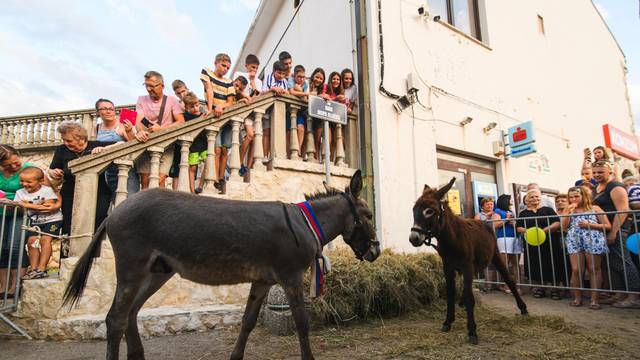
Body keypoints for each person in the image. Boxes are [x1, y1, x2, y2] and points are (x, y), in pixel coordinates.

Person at [48, 122, 114, 238]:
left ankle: (93, 253)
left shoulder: (96, 145)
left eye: (68, 140)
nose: (65, 143)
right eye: (64, 140)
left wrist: (104, 149)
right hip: (70, 193)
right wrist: (54, 173)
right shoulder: (61, 150)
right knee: (69, 224)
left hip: (99, 191)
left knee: (97, 222)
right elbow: (52, 169)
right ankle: (66, 253)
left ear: (82, 138)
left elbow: (121, 143)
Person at [591, 160, 640, 307]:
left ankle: (634, 296)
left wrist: (613, 232)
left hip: (618, 229)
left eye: (600, 172)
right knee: (611, 263)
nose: (596, 175)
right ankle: (619, 294)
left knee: (624, 262)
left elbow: (623, 210)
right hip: (603, 230)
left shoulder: (616, 186)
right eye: (594, 172)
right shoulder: (596, 188)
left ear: (610, 172)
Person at [0, 145, 42, 298]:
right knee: (2, 249)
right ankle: (3, 286)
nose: (13, 166)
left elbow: (45, 192)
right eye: (7, 165)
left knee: (15, 247)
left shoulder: (30, 169)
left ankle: (15, 285)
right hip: (1, 214)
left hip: (21, 214)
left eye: (15, 162)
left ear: (18, 155)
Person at [561, 186, 610, 309]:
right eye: (571, 197)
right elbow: (564, 227)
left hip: (593, 239)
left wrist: (590, 225)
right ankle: (577, 298)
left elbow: (607, 225)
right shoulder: (569, 210)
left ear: (584, 196)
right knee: (576, 269)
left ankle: (594, 300)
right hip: (574, 240)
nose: (573, 199)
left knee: (594, 269)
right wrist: (567, 213)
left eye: (576, 196)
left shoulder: (595, 208)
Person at [134, 71, 185, 189]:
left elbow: (181, 122)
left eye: (152, 86)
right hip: (146, 144)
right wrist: (140, 131)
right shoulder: (141, 99)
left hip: (166, 146)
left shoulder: (172, 100)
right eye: (146, 85)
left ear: (162, 86)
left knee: (159, 179)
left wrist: (161, 129)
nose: (148, 89)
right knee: (145, 182)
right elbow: (139, 119)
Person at [14, 167, 63, 280]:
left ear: (40, 181)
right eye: (22, 181)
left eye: (29, 182)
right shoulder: (19, 192)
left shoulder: (47, 190)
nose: (24, 184)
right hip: (35, 222)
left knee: (45, 240)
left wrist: (26, 204)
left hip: (52, 220)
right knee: (32, 242)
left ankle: (42, 268)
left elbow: (47, 207)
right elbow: (20, 208)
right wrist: (35, 205)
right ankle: (34, 269)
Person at [516, 189, 564, 299]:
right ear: (527, 200)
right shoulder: (523, 213)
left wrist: (544, 231)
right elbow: (518, 227)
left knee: (552, 263)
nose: (535, 199)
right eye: (532, 197)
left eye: (537, 197)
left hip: (550, 242)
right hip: (532, 243)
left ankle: (554, 289)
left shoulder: (548, 210)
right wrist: (530, 231)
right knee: (535, 264)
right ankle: (539, 288)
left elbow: (556, 223)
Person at [201, 54, 236, 191]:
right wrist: (211, 109)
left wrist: (221, 106)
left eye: (228, 67)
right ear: (215, 63)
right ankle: (214, 177)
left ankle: (221, 178)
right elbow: (209, 89)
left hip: (226, 117)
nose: (226, 69)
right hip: (214, 116)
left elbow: (230, 102)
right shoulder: (206, 72)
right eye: (223, 65)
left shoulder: (229, 81)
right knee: (216, 149)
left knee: (224, 149)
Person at [94, 98, 140, 197]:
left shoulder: (122, 125)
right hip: (108, 171)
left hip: (125, 169)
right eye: (104, 108)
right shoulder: (97, 127)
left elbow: (133, 144)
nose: (108, 111)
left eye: (111, 109)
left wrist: (129, 130)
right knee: (115, 200)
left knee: (130, 199)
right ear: (98, 112)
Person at [235, 55, 262, 174]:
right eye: (252, 67)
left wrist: (252, 81)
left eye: (256, 68)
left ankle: (249, 167)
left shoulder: (258, 81)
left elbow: (257, 96)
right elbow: (236, 91)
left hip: (254, 113)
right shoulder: (238, 75)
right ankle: (239, 163)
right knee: (250, 135)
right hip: (244, 111)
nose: (254, 71)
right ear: (246, 66)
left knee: (255, 138)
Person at [261, 60, 290, 162]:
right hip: (267, 110)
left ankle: (277, 154)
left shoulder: (285, 82)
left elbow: (288, 93)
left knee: (278, 133)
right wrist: (273, 89)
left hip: (279, 112)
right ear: (273, 71)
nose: (281, 76)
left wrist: (284, 91)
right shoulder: (268, 78)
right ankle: (265, 155)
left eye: (283, 74)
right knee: (267, 132)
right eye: (279, 73)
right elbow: (262, 93)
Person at [493, 194, 522, 294]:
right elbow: (495, 224)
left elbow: (515, 224)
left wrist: (514, 223)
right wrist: (506, 220)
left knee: (515, 264)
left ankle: (518, 286)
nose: (512, 201)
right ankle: (506, 285)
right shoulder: (497, 211)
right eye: (510, 200)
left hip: (515, 238)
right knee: (505, 264)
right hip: (504, 238)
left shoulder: (511, 211)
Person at [182, 92, 209, 194]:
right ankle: (192, 191)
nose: (196, 108)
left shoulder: (203, 114)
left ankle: (201, 186)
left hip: (204, 143)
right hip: (193, 146)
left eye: (197, 105)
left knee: (208, 162)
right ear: (186, 107)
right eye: (192, 106)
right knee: (192, 167)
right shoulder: (184, 117)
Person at [474, 197, 498, 291]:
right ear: (482, 206)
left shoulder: (495, 214)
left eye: (491, 204)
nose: (490, 206)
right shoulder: (479, 215)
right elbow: (476, 224)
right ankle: (487, 285)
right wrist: (487, 216)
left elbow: (499, 224)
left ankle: (495, 284)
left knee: (495, 262)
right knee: (487, 262)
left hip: (495, 239)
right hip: (483, 241)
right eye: (487, 204)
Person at [287, 65, 308, 157]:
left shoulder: (306, 83)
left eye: (303, 77)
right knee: (289, 132)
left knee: (301, 128)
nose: (301, 79)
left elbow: (306, 98)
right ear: (294, 75)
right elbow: (292, 92)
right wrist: (305, 93)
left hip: (300, 111)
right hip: (289, 110)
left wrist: (300, 90)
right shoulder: (290, 80)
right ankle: (288, 153)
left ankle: (298, 150)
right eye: (299, 77)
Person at [308, 67, 329, 161]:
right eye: (317, 77)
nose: (318, 80)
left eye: (321, 79)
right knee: (309, 136)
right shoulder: (308, 84)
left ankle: (318, 157)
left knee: (318, 138)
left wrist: (321, 95)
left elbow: (326, 96)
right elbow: (308, 95)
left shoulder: (323, 87)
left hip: (319, 115)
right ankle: (311, 156)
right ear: (313, 76)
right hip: (308, 113)